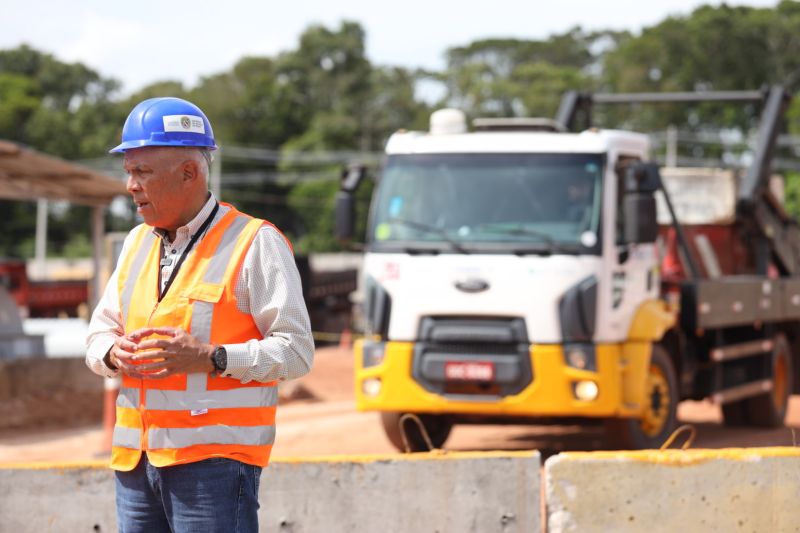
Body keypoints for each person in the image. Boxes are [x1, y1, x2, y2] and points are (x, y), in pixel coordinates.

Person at [85, 97, 314, 533]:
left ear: (189, 172)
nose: (130, 185)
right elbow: (98, 335)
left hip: (215, 469)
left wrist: (213, 357)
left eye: (142, 172)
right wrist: (115, 354)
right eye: (128, 171)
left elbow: (297, 350)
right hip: (137, 464)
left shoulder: (253, 242)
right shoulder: (136, 243)